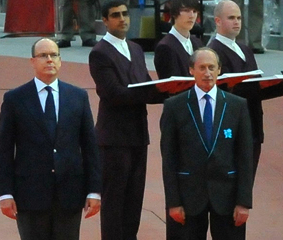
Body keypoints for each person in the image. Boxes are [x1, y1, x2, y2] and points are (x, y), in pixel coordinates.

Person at [0, 38, 101, 240]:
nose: (49, 60)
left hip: (70, 193)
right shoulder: (15, 99)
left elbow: (90, 147)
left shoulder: (77, 96)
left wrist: (94, 190)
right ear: (32, 61)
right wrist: (5, 193)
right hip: (29, 194)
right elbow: (4, 150)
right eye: (43, 55)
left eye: (54, 55)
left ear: (60, 60)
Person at [88, 1, 166, 239]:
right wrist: (153, 91)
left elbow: (145, 85)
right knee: (114, 202)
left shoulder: (135, 49)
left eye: (124, 14)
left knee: (134, 200)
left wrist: (172, 90)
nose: (122, 18)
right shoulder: (99, 53)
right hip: (113, 139)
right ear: (105, 20)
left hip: (138, 135)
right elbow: (112, 93)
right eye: (115, 15)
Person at [160, 48, 253, 240]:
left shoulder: (238, 106)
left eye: (212, 67)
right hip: (187, 198)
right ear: (191, 70)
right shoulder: (174, 106)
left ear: (219, 70)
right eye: (201, 67)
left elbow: (245, 157)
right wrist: (173, 202)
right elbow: (169, 158)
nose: (207, 73)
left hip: (227, 198)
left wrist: (244, 202)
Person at [208, 0, 283, 181]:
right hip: (230, 131)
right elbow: (225, 91)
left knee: (246, 188)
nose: (237, 22)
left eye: (239, 18)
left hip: (253, 126)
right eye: (231, 18)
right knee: (230, 190)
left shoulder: (245, 49)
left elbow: (257, 90)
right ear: (217, 21)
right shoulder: (212, 51)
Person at [154, 0, 204, 80]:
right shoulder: (165, 47)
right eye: (186, 10)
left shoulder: (198, 43)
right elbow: (170, 85)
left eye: (194, 11)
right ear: (174, 14)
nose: (191, 15)